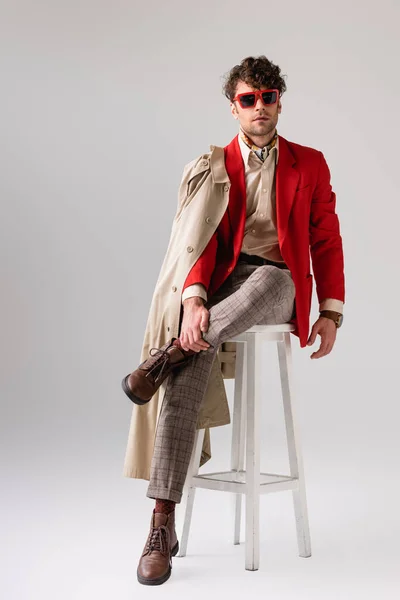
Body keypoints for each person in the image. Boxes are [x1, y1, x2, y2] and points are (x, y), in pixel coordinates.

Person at [121, 55, 345, 586]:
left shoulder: (309, 163)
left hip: (277, 284)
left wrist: (332, 310)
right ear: (234, 107)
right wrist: (195, 297)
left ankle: (168, 353)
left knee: (270, 280)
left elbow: (326, 240)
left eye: (268, 97)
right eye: (250, 99)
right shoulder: (216, 164)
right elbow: (199, 241)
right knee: (192, 358)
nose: (260, 107)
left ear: (279, 103)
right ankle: (161, 524)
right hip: (223, 284)